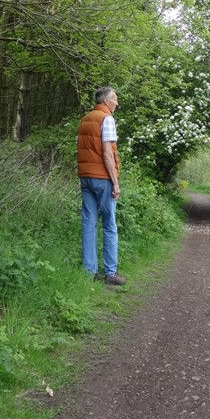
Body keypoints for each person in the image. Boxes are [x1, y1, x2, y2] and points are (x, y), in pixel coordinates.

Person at [77, 86, 125, 285]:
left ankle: (89, 271)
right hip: (102, 178)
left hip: (85, 176)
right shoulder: (107, 119)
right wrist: (115, 182)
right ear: (106, 101)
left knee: (88, 222)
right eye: (114, 100)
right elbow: (106, 153)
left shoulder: (85, 120)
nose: (116, 104)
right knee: (109, 224)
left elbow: (83, 148)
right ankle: (110, 273)